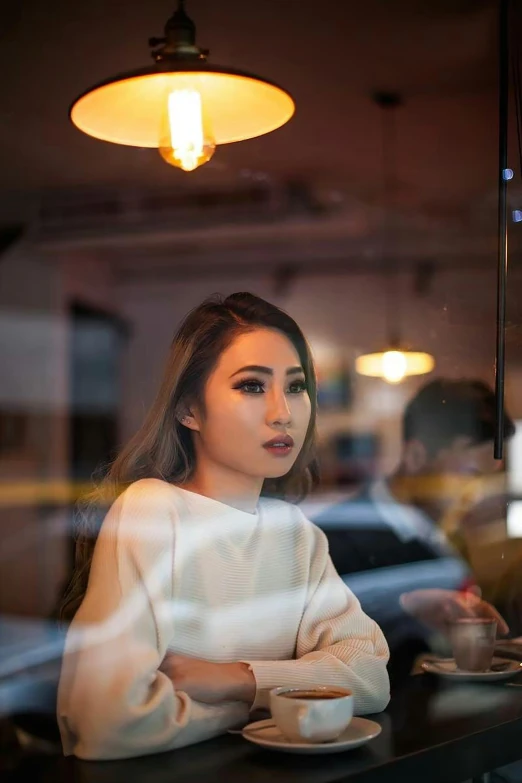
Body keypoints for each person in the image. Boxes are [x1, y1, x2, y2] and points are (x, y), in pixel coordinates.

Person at [57, 292, 390, 761]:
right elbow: (108, 720)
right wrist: (266, 706)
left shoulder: (294, 532)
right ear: (188, 410)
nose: (283, 412)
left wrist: (237, 680)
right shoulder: (153, 510)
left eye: (296, 387)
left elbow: (371, 677)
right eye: (252, 386)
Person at [311, 378, 514, 683]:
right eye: (469, 475)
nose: (476, 496)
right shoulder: (333, 536)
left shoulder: (448, 533)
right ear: (416, 456)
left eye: (485, 482)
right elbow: (317, 648)